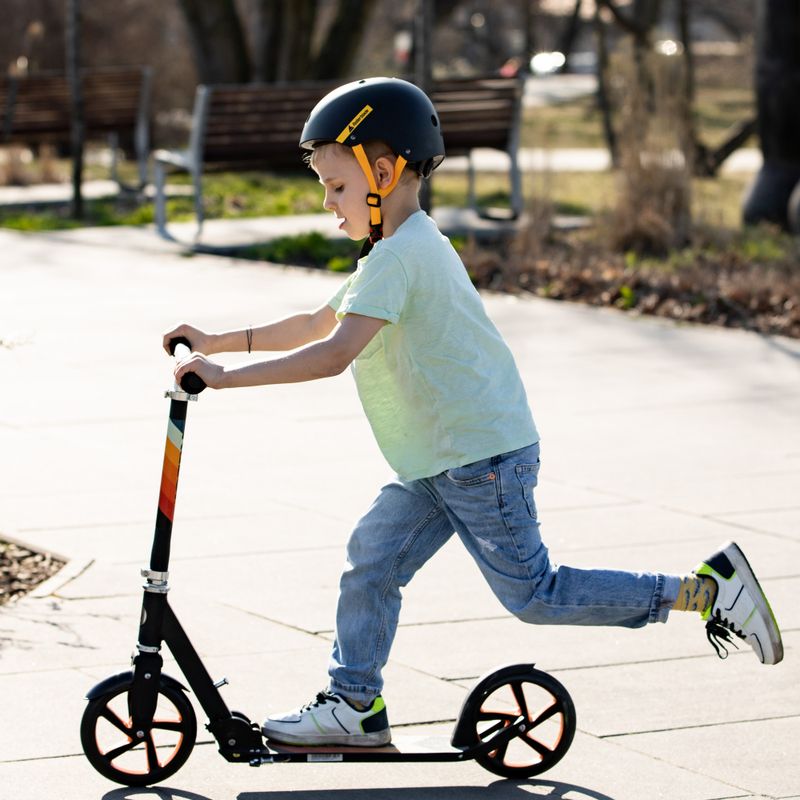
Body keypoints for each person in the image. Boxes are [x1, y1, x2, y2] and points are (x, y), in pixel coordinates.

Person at [164, 77, 784, 749]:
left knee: (536, 595)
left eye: (337, 186)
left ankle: (705, 592)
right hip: (441, 461)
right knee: (371, 562)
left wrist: (223, 379)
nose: (327, 202)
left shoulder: (403, 256)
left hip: (480, 462)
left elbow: (332, 352)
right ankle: (353, 707)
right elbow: (317, 320)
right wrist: (217, 340)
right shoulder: (395, 252)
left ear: (384, 170)